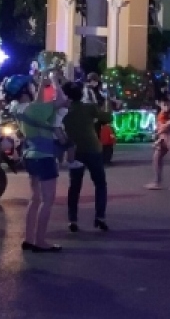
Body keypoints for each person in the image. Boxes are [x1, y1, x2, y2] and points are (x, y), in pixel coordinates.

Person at [17, 73, 69, 253]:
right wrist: (55, 80)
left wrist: (41, 83)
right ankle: (40, 241)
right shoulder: (34, 109)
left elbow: (38, 102)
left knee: (35, 198)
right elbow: (62, 100)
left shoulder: (20, 108)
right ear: (26, 89)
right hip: (44, 156)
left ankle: (29, 238)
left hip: (29, 155)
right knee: (48, 200)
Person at [61, 82, 111, 232]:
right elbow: (107, 117)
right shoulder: (88, 108)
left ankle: (73, 219)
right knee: (100, 184)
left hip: (74, 150)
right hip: (93, 149)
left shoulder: (63, 112)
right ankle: (100, 217)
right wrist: (107, 100)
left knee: (75, 186)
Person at [146, 90, 170, 190]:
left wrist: (159, 131)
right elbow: (164, 111)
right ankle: (157, 181)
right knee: (156, 157)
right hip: (165, 135)